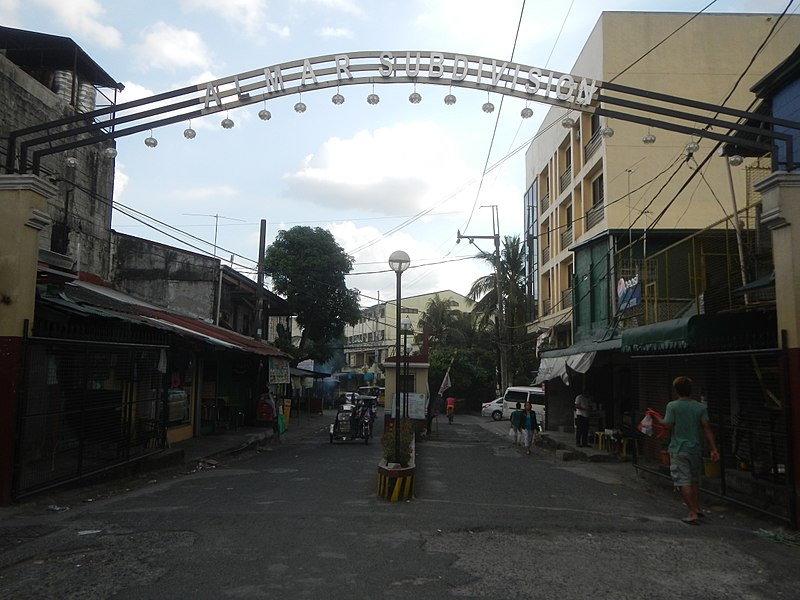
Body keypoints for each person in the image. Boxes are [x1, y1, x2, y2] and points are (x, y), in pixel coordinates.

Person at [659, 376, 720, 524]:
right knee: (694, 480)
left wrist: (655, 417)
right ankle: (697, 508)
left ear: (676, 390)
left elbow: (667, 426)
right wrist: (713, 449)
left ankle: (692, 513)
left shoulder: (672, 406)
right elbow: (707, 428)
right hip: (695, 448)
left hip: (679, 449)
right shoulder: (700, 407)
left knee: (683, 481)